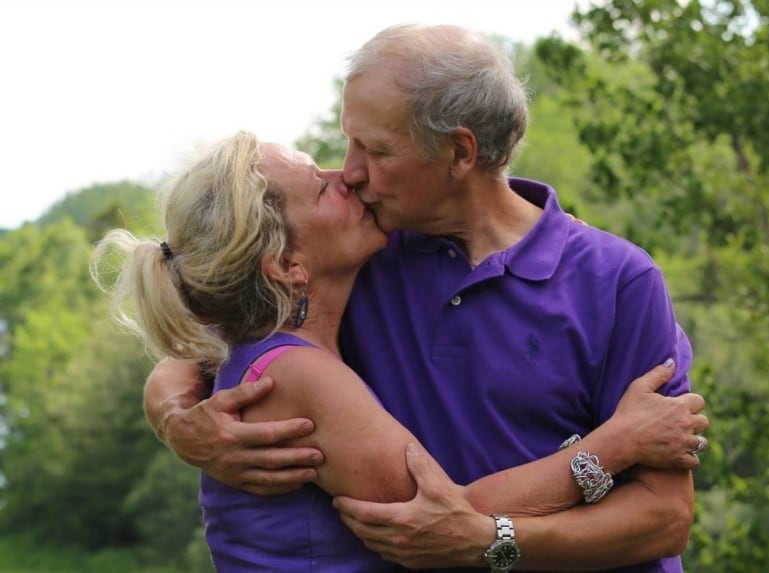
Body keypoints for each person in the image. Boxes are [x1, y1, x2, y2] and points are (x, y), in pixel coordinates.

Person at [142, 24, 709, 572]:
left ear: (459, 152)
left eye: (376, 149)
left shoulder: (616, 279)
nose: (351, 171)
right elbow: (216, 325)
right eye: (348, 141)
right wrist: (178, 422)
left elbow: (664, 518)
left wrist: (491, 543)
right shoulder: (357, 257)